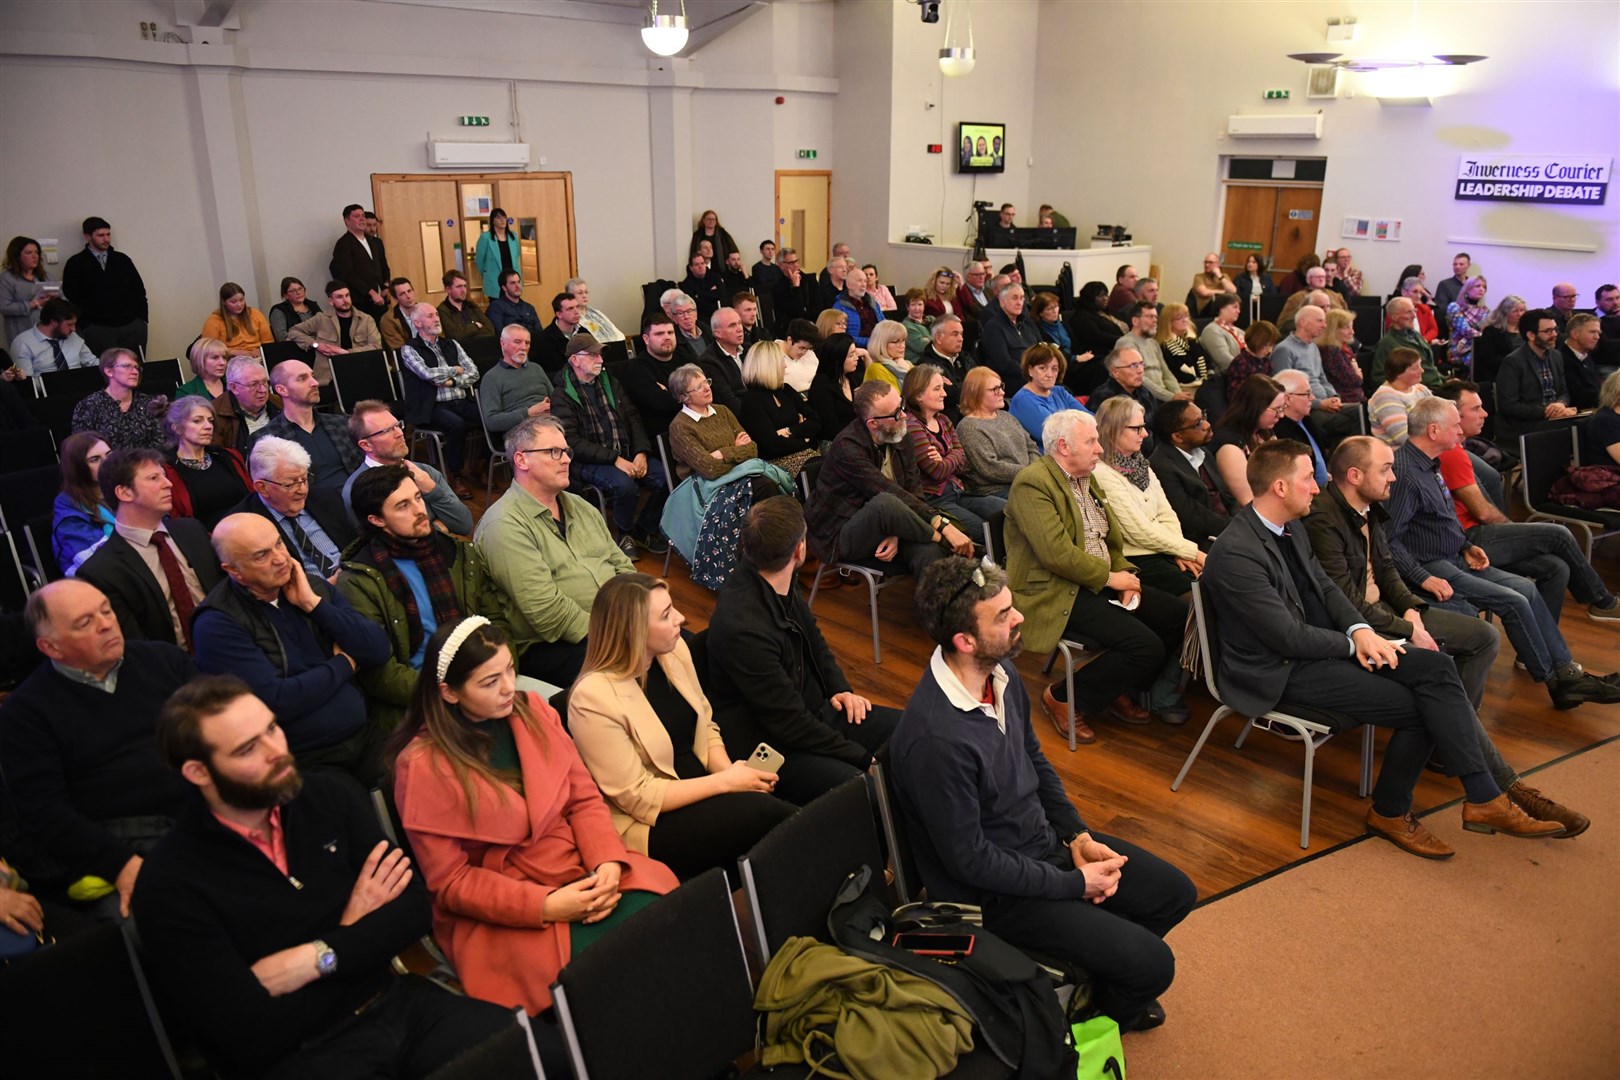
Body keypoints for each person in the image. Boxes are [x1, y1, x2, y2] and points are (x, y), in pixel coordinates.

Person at [134, 675, 521, 1079]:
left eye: (272, 728)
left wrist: (314, 957)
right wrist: (357, 933)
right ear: (199, 772)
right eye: (249, 749)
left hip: (393, 1005)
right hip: (302, 1056)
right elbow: (245, 1034)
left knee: (539, 1053)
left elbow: (414, 909)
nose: (277, 752)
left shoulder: (325, 798)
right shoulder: (169, 885)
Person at [1202, 439, 1564, 859]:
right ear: (1280, 487)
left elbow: (1325, 586)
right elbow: (1286, 638)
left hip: (1313, 649)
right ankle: (1395, 811)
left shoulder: (1290, 526)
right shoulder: (1236, 553)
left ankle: (1483, 796)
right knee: (1421, 708)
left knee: (1436, 669)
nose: (1317, 488)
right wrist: (1356, 641)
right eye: (1308, 480)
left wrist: (1359, 628)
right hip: (1278, 671)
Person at [892, 555, 1196, 1031]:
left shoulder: (999, 674)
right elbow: (971, 863)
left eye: (1011, 606)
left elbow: (1035, 760)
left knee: (1174, 893)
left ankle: (1097, 975)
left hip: (1045, 849)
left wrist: (1076, 835)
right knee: (1155, 965)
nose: (1020, 618)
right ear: (964, 641)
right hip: (996, 897)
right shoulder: (936, 739)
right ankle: (1085, 1021)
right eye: (1003, 615)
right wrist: (1075, 885)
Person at [390, 617, 677, 1016]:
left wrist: (607, 860)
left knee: (666, 924)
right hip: (507, 905)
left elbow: (583, 800)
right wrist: (547, 906)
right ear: (449, 693)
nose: (509, 687)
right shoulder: (422, 766)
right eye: (489, 682)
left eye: (510, 669)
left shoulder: (535, 710)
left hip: (578, 867)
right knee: (606, 971)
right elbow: (451, 883)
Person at [1385, 397, 1619, 708]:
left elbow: (1442, 519)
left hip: (1454, 556)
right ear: (1433, 430)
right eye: (1455, 425)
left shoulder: (1430, 462)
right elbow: (1388, 540)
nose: (1460, 430)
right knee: (1514, 599)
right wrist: (1422, 577)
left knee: (1526, 589)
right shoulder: (1406, 473)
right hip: (1432, 566)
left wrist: (1467, 545)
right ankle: (1558, 682)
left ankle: (1567, 671)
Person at [569, 574, 794, 877]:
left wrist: (730, 773)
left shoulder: (674, 651)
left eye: (672, 608)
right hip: (651, 823)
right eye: (666, 616)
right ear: (633, 632)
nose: (681, 618)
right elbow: (638, 796)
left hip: (700, 783)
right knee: (767, 815)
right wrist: (726, 784)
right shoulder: (591, 700)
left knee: (775, 803)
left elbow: (706, 722)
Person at [0, 580, 194, 916]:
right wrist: (121, 864)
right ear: (51, 647)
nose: (106, 623)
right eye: (85, 622)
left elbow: (225, 731)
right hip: (125, 844)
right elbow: (45, 815)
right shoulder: (26, 714)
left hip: (209, 813)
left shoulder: (165, 660)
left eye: (106, 610)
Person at [1006, 409, 1191, 738]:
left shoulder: (1085, 476)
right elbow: (1057, 555)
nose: (1099, 449)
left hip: (1096, 580)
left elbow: (1110, 540)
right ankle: (1063, 698)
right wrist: (1112, 579)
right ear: (1064, 447)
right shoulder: (1032, 483)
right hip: (1056, 589)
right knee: (1145, 646)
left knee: (1179, 616)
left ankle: (1113, 685)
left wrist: (1126, 576)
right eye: (1091, 441)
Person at [708, 496, 902, 804]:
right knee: (864, 793)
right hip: (773, 743)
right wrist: (864, 758)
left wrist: (840, 689)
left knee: (909, 731)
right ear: (800, 550)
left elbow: (814, 641)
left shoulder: (775, 578)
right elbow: (788, 723)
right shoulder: (743, 628)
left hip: (811, 712)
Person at [196, 513, 392, 780]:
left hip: (367, 733)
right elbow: (276, 701)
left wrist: (313, 605)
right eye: (261, 555)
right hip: (305, 760)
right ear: (234, 571)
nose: (280, 559)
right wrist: (343, 665)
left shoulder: (309, 587)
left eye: (279, 544)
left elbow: (378, 649)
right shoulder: (218, 623)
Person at [337, 465, 520, 730]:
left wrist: (503, 669)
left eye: (418, 498)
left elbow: (495, 621)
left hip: (487, 673)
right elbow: (380, 673)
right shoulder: (361, 580)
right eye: (402, 506)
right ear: (377, 520)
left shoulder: (456, 553)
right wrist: (452, 692)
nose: (419, 510)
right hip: (422, 699)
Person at [1433, 381, 1619, 622]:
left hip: (1475, 533)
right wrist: (1514, 529)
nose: (1485, 413)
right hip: (1468, 540)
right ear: (1454, 415)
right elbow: (1483, 513)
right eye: (1476, 408)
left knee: (1557, 568)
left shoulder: (1459, 449)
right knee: (1559, 535)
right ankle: (1602, 602)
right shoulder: (1451, 453)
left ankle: (1542, 650)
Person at [475, 417, 635, 688]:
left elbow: (622, 565)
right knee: (639, 676)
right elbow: (547, 613)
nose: (566, 459)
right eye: (554, 452)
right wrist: (618, 632)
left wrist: (639, 611)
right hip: (553, 645)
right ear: (522, 460)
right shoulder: (503, 525)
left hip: (612, 623)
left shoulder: (580, 506)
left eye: (566, 451)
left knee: (687, 645)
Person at [806, 381, 974, 576]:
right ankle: (941, 537)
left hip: (891, 521)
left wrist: (896, 531)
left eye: (901, 406)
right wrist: (943, 527)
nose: (903, 415)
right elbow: (885, 492)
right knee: (885, 502)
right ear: (873, 423)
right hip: (839, 533)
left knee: (928, 553)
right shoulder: (847, 448)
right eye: (895, 413)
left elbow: (913, 489)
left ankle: (939, 606)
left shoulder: (899, 432)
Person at [551, 335, 667, 555]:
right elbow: (572, 441)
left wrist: (641, 451)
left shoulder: (610, 383)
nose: (600, 359)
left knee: (666, 478)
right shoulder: (562, 394)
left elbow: (633, 417)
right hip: (588, 461)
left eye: (600, 354)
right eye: (593, 355)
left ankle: (645, 527)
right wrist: (615, 459)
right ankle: (625, 534)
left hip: (625, 452)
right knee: (625, 486)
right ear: (575, 360)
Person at [1092, 396, 1202, 596]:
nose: (1144, 434)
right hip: (1137, 558)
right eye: (1137, 428)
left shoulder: (1140, 464)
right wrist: (1191, 552)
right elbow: (1138, 531)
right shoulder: (1101, 473)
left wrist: (1179, 550)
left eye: (1144, 427)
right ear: (1114, 430)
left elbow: (1166, 513)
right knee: (1198, 594)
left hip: (1164, 549)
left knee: (1208, 582)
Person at [341, 400, 474, 537]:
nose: (399, 433)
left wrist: (432, 490)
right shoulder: (356, 490)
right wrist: (437, 527)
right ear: (366, 445)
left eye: (398, 425)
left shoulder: (424, 472)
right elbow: (380, 546)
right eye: (387, 430)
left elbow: (464, 525)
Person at [233, 436, 357, 580]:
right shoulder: (244, 527)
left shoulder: (325, 498)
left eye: (305, 479)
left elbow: (357, 546)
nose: (303, 490)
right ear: (263, 488)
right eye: (290, 484)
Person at [903, 364, 1005, 537]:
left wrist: (946, 457)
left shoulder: (944, 420)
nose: (944, 393)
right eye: (937, 389)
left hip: (959, 491)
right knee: (984, 531)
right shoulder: (912, 426)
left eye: (943, 388)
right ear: (919, 395)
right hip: (935, 499)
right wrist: (954, 455)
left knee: (1005, 511)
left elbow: (964, 464)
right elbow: (936, 471)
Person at [396, 303, 482, 492]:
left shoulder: (451, 344)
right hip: (431, 407)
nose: (436, 318)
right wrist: (455, 370)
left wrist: (451, 382)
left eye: (436, 314)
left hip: (461, 399)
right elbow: (427, 374)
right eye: (430, 316)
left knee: (489, 417)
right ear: (417, 322)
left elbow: (474, 372)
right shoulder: (409, 349)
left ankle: (478, 466)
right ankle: (455, 474)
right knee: (456, 425)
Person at [258, 359, 364, 492]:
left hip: (358, 496)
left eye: (313, 376)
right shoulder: (268, 439)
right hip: (313, 506)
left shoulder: (340, 423)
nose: (315, 383)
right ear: (282, 390)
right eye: (302, 379)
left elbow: (362, 466)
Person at [1269, 305, 1359, 443]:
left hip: (1325, 402)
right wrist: (1320, 404)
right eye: (1320, 321)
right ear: (1303, 322)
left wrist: (1334, 396)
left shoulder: (1313, 346)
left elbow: (1322, 378)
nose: (1324, 325)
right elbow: (1282, 389)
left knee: (1364, 410)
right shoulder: (1284, 349)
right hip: (1309, 407)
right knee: (1357, 419)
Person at [160, 396, 252, 530]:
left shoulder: (229, 456)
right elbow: (179, 522)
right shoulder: (166, 471)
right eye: (197, 421)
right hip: (205, 541)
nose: (208, 426)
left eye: (211, 421)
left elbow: (253, 498)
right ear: (177, 428)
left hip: (251, 528)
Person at [1148, 399, 1229, 549]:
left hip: (1226, 529)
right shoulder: (1162, 466)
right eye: (1198, 423)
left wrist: (1244, 520)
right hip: (1199, 541)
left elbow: (1226, 496)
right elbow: (1191, 517)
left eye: (1203, 416)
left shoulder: (1203, 452)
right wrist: (1236, 529)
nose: (1207, 425)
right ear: (1177, 437)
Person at [60, 216, 147, 355]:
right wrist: (85, 324)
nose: (106, 239)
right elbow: (71, 295)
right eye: (100, 235)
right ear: (87, 236)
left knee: (135, 366)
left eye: (108, 234)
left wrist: (142, 319)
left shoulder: (121, 259)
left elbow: (138, 289)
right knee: (104, 368)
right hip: (97, 327)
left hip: (131, 325)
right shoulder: (76, 263)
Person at [738, 341, 820, 477]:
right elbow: (772, 447)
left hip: (807, 455)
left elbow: (815, 422)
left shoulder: (785, 390)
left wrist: (789, 431)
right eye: (781, 361)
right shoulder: (751, 401)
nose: (785, 365)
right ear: (769, 366)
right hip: (777, 465)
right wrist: (804, 439)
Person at [957, 367, 1039, 499]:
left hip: (1026, 480)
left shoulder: (1006, 416)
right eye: (995, 389)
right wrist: (1030, 472)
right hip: (995, 491)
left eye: (1001, 387)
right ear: (976, 393)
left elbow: (1031, 447)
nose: (1002, 392)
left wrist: (1034, 470)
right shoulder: (968, 427)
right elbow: (991, 469)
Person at [1495, 308, 1577, 441]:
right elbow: (1508, 405)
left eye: (1555, 329)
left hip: (1554, 417)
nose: (1554, 334)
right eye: (1548, 331)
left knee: (1590, 421)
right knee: (1577, 427)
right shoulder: (1513, 362)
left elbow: (1564, 392)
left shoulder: (1556, 356)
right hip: (1527, 423)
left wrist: (1561, 404)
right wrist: (1546, 411)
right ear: (1531, 335)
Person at [666, 363, 758, 479]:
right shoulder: (679, 427)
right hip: (708, 487)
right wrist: (738, 450)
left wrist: (721, 454)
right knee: (764, 486)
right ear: (684, 397)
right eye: (699, 387)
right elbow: (709, 469)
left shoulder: (722, 411)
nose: (707, 388)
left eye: (706, 382)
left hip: (742, 474)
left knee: (767, 482)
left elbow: (752, 449)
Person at [286, 281, 384, 385]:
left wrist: (347, 353)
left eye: (347, 295)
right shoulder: (321, 318)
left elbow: (376, 346)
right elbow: (293, 331)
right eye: (339, 297)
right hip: (329, 376)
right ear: (331, 301)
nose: (345, 300)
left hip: (360, 369)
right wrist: (316, 344)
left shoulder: (366, 320)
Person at [1211, 373, 1285, 508]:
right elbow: (1248, 501)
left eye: (1282, 408)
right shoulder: (1230, 448)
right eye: (1276, 409)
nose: (1281, 415)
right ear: (1255, 407)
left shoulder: (1264, 432)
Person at [70, 348, 167, 450]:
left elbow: (161, 442)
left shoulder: (149, 403)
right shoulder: (89, 406)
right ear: (109, 371)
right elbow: (83, 449)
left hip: (147, 463)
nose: (135, 372)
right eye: (127, 366)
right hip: (108, 465)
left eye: (137, 367)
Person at [52, 432, 116, 574]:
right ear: (78, 467)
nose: (107, 463)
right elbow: (96, 561)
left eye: (109, 454)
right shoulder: (67, 504)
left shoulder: (122, 488)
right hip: (100, 581)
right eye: (95, 459)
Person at [477, 323, 553, 437]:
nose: (523, 347)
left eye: (527, 343)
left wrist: (553, 405)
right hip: (519, 431)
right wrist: (528, 413)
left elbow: (555, 398)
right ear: (503, 344)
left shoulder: (536, 368)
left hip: (549, 422)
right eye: (517, 342)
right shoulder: (491, 378)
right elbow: (492, 421)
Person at [1008, 342, 1086, 451]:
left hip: (1072, 451)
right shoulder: (1023, 400)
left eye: (1054, 369)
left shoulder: (1060, 392)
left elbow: (1088, 419)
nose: (1050, 374)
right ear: (1030, 370)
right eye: (1042, 368)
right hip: (1045, 459)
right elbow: (1055, 437)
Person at [620, 313, 683, 439]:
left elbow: (709, 389)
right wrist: (693, 394)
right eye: (659, 334)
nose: (667, 337)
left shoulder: (685, 359)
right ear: (646, 339)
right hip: (665, 435)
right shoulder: (638, 369)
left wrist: (670, 393)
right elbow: (661, 403)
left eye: (670, 332)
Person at [1087, 348, 1159, 452]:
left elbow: (1157, 425)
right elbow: (1107, 439)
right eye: (1133, 366)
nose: (1140, 370)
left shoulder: (1144, 392)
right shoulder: (1104, 398)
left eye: (1141, 364)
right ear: (1116, 372)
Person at [1114, 301, 1184, 404]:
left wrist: (1178, 395)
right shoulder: (1126, 343)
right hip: (1144, 399)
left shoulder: (1153, 343)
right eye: (1150, 317)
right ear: (1135, 321)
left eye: (1156, 317)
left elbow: (1167, 374)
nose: (1155, 321)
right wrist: (1171, 397)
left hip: (1164, 397)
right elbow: (1140, 379)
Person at [329, 203, 391, 319]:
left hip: (380, 300)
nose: (362, 219)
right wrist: (371, 292)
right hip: (361, 301)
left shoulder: (372, 241)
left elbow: (383, 265)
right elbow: (346, 274)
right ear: (346, 221)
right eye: (357, 216)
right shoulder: (344, 243)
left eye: (363, 215)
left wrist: (385, 286)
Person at [980, 282, 1043, 391]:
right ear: (1002, 302)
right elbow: (1004, 364)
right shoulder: (993, 327)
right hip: (1013, 380)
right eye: (1015, 298)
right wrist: (1032, 372)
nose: (1019, 302)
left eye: (1022, 298)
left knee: (1062, 389)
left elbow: (1042, 347)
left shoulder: (1027, 322)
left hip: (1036, 375)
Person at [11, 296, 96, 375]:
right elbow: (27, 382)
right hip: (45, 389)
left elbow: (92, 362)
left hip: (79, 386)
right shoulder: (23, 343)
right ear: (54, 322)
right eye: (69, 324)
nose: (73, 329)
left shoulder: (71, 336)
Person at [212, 356, 280, 454]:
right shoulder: (215, 415)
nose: (263, 390)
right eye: (254, 384)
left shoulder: (278, 403)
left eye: (264, 382)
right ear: (234, 388)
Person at [1371, 294, 1440, 388]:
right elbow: (1379, 378)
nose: (1414, 316)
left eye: (1414, 311)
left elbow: (1430, 367)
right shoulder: (1386, 344)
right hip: (1421, 391)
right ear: (1395, 317)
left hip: (1436, 384)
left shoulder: (1416, 336)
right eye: (1409, 312)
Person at [1367, 347, 1431, 447]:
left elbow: (1441, 415)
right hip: (1401, 455)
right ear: (1398, 373)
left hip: (1428, 447)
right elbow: (1404, 437)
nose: (1422, 370)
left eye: (1420, 365)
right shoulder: (1385, 397)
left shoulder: (1421, 389)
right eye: (1415, 368)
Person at [806, 332, 863, 436]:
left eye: (855, 353)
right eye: (851, 355)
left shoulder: (853, 377)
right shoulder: (821, 385)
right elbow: (829, 427)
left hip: (858, 434)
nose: (856, 358)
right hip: (836, 440)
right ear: (838, 359)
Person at [1, 235, 51, 345]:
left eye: (36, 252)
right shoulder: (7, 278)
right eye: (29, 253)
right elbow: (4, 307)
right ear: (17, 256)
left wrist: (54, 299)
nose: (35, 256)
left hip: (48, 332)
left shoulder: (44, 276)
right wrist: (33, 303)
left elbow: (62, 299)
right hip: (23, 334)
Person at [201, 282, 273, 355]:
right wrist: (231, 352)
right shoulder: (213, 321)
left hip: (257, 358)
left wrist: (261, 350)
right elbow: (208, 349)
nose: (239, 304)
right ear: (223, 302)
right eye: (233, 302)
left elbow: (268, 341)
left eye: (241, 300)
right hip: (229, 360)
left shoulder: (255, 314)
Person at [700, 306, 749, 411]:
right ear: (718, 333)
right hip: (737, 416)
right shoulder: (708, 361)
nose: (740, 329)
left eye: (739, 323)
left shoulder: (750, 350)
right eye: (732, 325)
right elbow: (727, 400)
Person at [1221, 318, 1278, 401]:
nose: (1270, 350)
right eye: (1267, 345)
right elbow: (1235, 396)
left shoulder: (1265, 361)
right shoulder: (1241, 363)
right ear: (1257, 341)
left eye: (1272, 346)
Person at [1316, 308, 1365, 405]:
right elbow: (1355, 380)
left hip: (1354, 397)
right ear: (1333, 329)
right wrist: (1357, 370)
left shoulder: (1345, 348)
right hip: (1343, 400)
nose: (1352, 332)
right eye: (1346, 328)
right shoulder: (1330, 351)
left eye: (1352, 327)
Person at [1473, 294, 1525, 383]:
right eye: (1515, 311)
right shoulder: (1492, 331)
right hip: (1500, 374)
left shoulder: (1526, 331)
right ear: (1505, 313)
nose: (1519, 314)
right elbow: (1487, 358)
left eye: (1522, 310)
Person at [474, 207, 521, 299]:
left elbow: (517, 255)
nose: (502, 220)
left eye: (504, 217)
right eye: (498, 217)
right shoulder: (485, 238)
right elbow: (479, 261)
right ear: (493, 221)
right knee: (497, 309)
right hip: (494, 280)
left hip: (512, 279)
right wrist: (487, 273)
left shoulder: (513, 237)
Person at [436, 269, 494, 344]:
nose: (463, 290)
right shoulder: (442, 310)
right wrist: (476, 325)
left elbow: (490, 330)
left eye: (464, 286)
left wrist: (467, 333)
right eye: (459, 286)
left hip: (482, 347)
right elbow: (455, 336)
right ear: (448, 289)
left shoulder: (471, 305)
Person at [1446, 275, 1489, 375]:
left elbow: (1486, 331)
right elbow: (1466, 331)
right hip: (1459, 350)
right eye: (1477, 286)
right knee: (1479, 361)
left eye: (1484, 287)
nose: (1481, 289)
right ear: (1467, 289)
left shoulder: (1485, 311)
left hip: (1478, 349)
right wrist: (1482, 335)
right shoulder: (1455, 307)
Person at [535, 291, 584, 376]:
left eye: (577, 307)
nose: (576, 312)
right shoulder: (544, 339)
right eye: (570, 309)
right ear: (559, 314)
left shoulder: (584, 332)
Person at [1561, 313, 1604, 409]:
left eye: (1598, 333)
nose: (1597, 337)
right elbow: (1578, 396)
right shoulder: (1562, 358)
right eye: (1592, 332)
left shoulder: (1586, 356)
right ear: (1575, 334)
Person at [565, 277, 625, 345]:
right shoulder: (570, 318)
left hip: (614, 347)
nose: (584, 296)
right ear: (569, 296)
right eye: (580, 293)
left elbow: (617, 333)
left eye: (586, 292)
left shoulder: (596, 313)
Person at [1156, 302, 1205, 384]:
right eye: (1179, 318)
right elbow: (1177, 373)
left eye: (1186, 316)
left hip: (1201, 382)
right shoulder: (1166, 345)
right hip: (1185, 385)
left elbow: (1207, 360)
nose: (1185, 320)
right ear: (1169, 322)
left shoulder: (1191, 339)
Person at [486, 269, 543, 339]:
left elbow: (540, 332)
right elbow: (500, 334)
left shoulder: (529, 308)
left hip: (532, 344)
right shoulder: (496, 307)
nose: (518, 286)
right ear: (504, 288)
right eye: (513, 283)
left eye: (519, 282)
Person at [858, 319, 913, 392]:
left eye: (903, 340)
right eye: (895, 342)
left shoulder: (906, 363)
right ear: (881, 344)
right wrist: (909, 373)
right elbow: (895, 400)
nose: (902, 346)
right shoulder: (876, 369)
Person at [1198, 293, 1245, 375]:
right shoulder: (1212, 331)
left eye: (1239, 308)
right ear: (1222, 308)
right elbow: (1224, 360)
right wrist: (1249, 370)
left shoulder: (1240, 331)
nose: (1239, 311)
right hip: (1226, 377)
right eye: (1235, 307)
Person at [266, 276, 320, 343]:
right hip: (296, 348)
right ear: (285, 295)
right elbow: (282, 338)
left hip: (322, 344)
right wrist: (312, 343)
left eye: (300, 288)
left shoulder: (313, 305)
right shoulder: (278, 311)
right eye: (293, 291)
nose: (299, 292)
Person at [662, 288, 710, 361]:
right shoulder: (673, 340)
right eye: (680, 313)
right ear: (674, 318)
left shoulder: (709, 331)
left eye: (689, 311)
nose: (686, 317)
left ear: (696, 313)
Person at [177, 336, 229, 401]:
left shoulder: (235, 384)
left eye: (224, 357)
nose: (222, 363)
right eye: (215, 357)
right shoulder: (186, 392)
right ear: (199, 360)